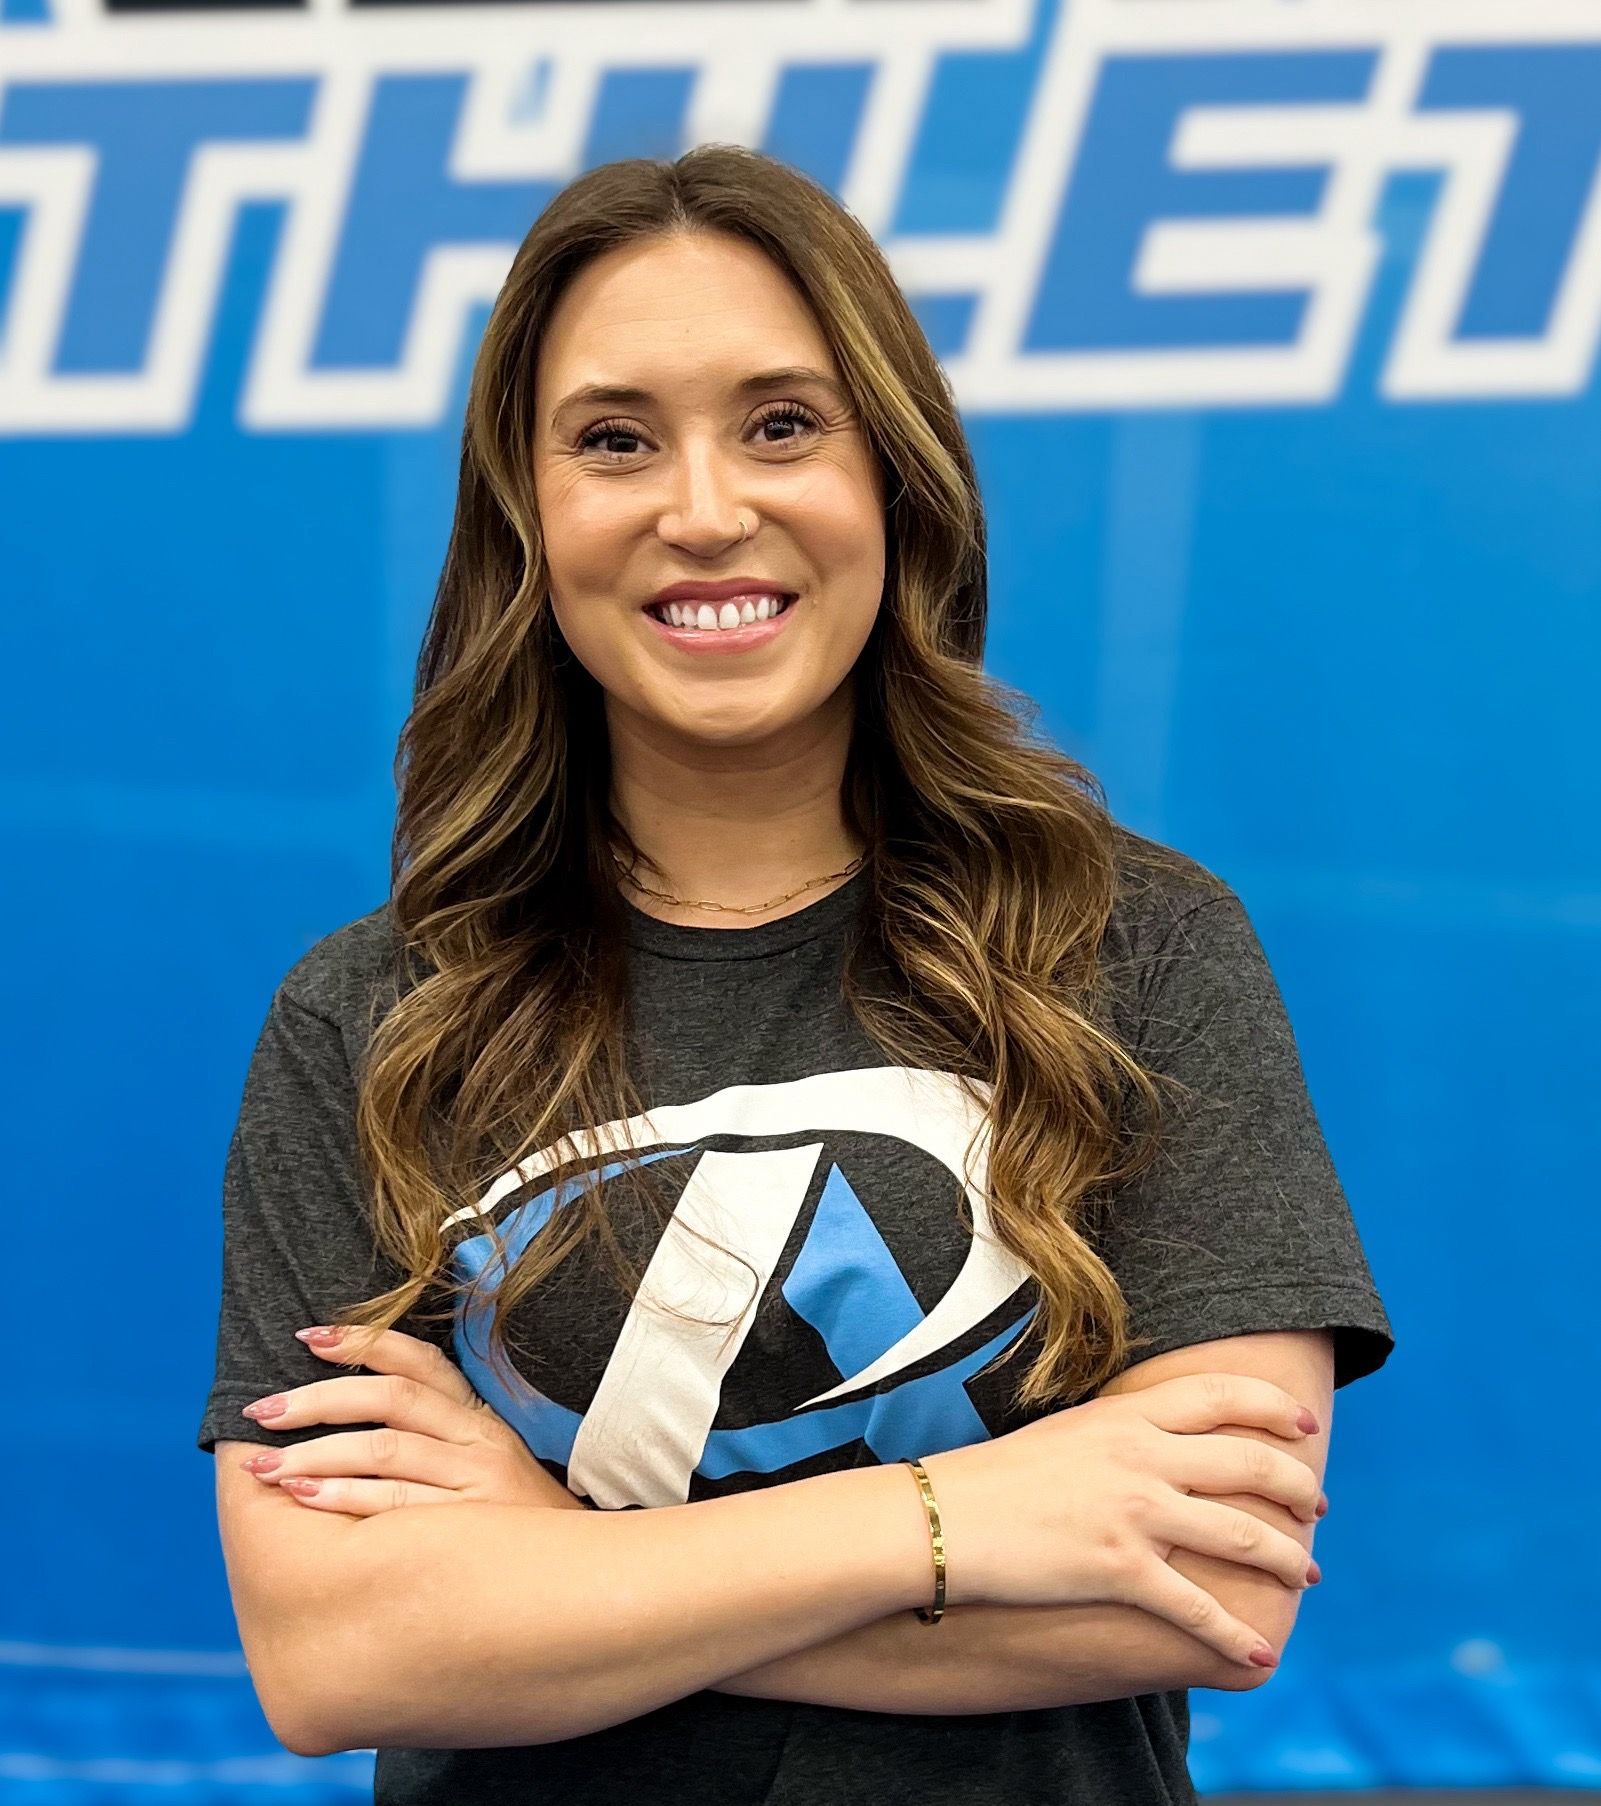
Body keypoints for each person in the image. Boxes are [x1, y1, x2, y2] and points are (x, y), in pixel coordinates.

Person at [197, 143, 1394, 1806]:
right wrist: (965, 1518)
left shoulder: (1137, 946)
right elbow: (340, 1652)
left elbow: (1213, 1575)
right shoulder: (372, 1018)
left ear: (894, 480)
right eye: (614, 440)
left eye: (781, 424)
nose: (703, 511)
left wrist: (546, 1565)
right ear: (528, 519)